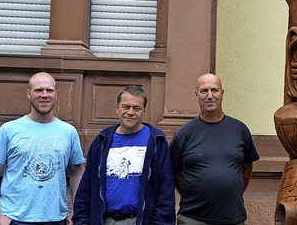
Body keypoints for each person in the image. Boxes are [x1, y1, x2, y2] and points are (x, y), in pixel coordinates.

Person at [0, 72, 85, 225]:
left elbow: (77, 172)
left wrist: (77, 212)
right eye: (38, 90)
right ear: (29, 94)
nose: (44, 95)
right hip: (15, 218)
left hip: (56, 219)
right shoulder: (9, 130)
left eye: (49, 90)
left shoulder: (68, 132)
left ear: (56, 94)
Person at [72, 85, 175, 225]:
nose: (130, 112)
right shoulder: (102, 141)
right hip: (105, 220)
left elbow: (166, 189)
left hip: (141, 220)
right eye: (126, 107)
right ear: (117, 108)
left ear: (144, 110)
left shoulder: (156, 142)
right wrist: (81, 220)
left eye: (137, 108)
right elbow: (87, 186)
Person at [170, 73, 260, 225]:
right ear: (196, 94)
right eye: (204, 91)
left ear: (222, 94)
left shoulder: (240, 130)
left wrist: (230, 192)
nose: (210, 96)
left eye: (214, 90)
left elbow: (246, 168)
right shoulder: (184, 134)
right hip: (193, 218)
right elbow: (175, 172)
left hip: (232, 217)